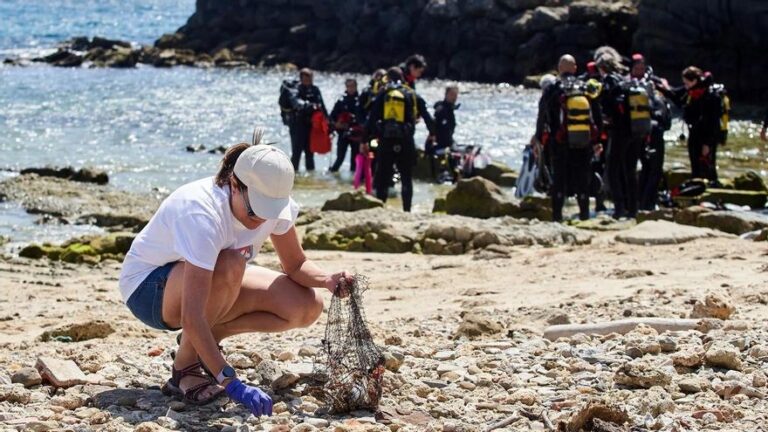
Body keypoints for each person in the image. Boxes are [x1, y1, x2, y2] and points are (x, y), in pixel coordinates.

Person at [119, 136, 353, 413]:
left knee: (306, 306)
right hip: (148, 289)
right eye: (256, 210)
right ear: (234, 184)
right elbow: (191, 316)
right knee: (231, 263)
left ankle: (207, 341)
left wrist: (326, 280)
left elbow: (295, 264)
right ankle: (184, 368)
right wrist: (231, 382)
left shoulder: (274, 203)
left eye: (269, 212)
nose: (262, 220)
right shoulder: (201, 213)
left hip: (212, 281)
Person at [536, 55, 598, 222]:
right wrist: (596, 140)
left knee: (559, 179)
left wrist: (538, 137)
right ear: (575, 68)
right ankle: (584, 215)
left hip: (560, 141)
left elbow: (542, 113)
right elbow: (596, 115)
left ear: (558, 69)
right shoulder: (585, 87)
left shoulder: (554, 87)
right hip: (583, 141)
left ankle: (557, 218)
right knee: (582, 178)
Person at [367, 67, 418, 212]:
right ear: (403, 78)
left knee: (383, 176)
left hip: (386, 141)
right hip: (405, 140)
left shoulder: (383, 93)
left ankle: (381, 208)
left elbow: (372, 119)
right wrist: (433, 134)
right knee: (406, 178)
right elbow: (422, 114)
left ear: (387, 78)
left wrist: (365, 139)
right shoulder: (409, 93)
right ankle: (407, 210)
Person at [661, 66, 722, 184]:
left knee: (707, 164)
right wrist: (662, 88)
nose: (685, 85)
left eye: (687, 83)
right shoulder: (691, 92)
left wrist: (707, 144)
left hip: (707, 136)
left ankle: (712, 188)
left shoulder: (710, 96)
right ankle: (697, 184)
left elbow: (712, 122)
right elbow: (676, 97)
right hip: (694, 132)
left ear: (694, 81)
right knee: (695, 163)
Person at [631, 54, 672, 211]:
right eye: (637, 68)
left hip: (647, 131)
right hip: (646, 132)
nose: (640, 71)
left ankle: (642, 202)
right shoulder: (635, 86)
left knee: (648, 169)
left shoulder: (653, 83)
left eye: (642, 68)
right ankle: (646, 204)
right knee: (652, 170)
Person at [287, 68, 328, 172]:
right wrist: (309, 106)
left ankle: (311, 180)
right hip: (297, 126)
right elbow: (296, 102)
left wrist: (329, 123)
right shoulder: (295, 89)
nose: (309, 80)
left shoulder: (315, 89)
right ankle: (292, 177)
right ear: (301, 78)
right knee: (296, 153)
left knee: (310, 153)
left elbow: (322, 107)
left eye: (310, 78)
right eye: (306, 78)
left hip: (311, 126)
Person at [329, 78, 363, 173]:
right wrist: (337, 125)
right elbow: (331, 117)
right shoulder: (341, 101)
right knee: (340, 158)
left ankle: (352, 183)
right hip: (343, 133)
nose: (351, 89)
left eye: (352, 86)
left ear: (356, 87)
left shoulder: (361, 100)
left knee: (355, 161)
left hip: (356, 135)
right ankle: (332, 177)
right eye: (348, 86)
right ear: (346, 87)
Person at [428, 85, 460, 182]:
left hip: (449, 141)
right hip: (439, 142)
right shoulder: (441, 110)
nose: (454, 98)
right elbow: (434, 126)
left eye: (456, 95)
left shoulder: (450, 109)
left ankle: (457, 175)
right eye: (452, 95)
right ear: (446, 95)